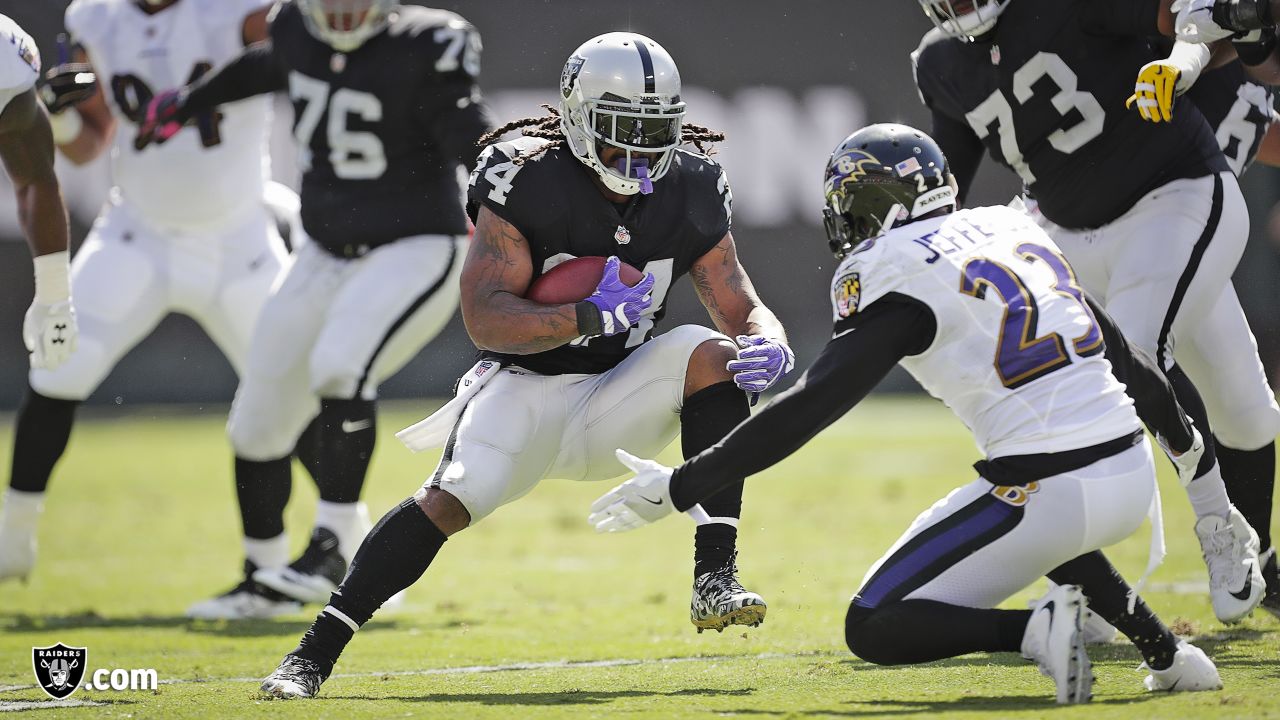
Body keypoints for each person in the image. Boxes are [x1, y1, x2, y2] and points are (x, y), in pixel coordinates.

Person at [590, 123, 1223, 704]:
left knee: (873, 624)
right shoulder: (1011, 230)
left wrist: (683, 484)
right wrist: (1188, 451)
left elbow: (813, 406)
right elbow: (1123, 352)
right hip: (1129, 472)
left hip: (1050, 485)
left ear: (881, 205)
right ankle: (1167, 653)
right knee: (1034, 529)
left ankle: (1035, 631)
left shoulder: (897, 269)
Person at [255, 31, 794, 699]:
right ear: (575, 116)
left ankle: (716, 577)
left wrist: (768, 338)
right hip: (525, 389)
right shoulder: (525, 177)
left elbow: (736, 296)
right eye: (621, 129)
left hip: (622, 398)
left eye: (655, 130)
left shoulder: (692, 183)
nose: (639, 150)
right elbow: (485, 318)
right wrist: (584, 316)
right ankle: (312, 655)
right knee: (450, 499)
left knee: (711, 353)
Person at [911, 0, 1270, 624]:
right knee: (1196, 406)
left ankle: (1223, 522)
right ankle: (1095, 587)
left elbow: (1191, 20)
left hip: (1172, 197)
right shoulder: (941, 61)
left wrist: (1185, 61)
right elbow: (946, 187)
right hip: (1064, 231)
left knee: (1191, 390)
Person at [135, 0, 492, 618]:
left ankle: (329, 546)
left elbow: (470, 135)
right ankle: (264, 575)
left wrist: (508, 197)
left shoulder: (425, 43)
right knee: (256, 422)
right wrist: (187, 102)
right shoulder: (295, 28)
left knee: (339, 365)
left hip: (415, 245)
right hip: (323, 250)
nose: (343, 13)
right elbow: (266, 67)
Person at [0, 0, 288, 589]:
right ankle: (10, 539)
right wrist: (56, 116)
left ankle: (308, 554)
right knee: (57, 369)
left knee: (292, 391)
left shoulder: (240, 10)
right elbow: (87, 144)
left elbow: (308, 62)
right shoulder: (96, 18)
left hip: (239, 236)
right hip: (137, 233)